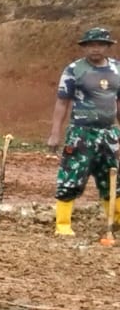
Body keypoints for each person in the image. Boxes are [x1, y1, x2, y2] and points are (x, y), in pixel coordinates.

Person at [47, 27, 120, 237]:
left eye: (100, 44)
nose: (95, 49)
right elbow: (62, 102)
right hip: (81, 133)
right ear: (85, 47)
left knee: (112, 177)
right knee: (71, 176)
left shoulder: (117, 69)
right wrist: (55, 133)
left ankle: (115, 220)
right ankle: (63, 224)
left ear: (107, 46)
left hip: (109, 133)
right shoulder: (74, 70)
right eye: (91, 45)